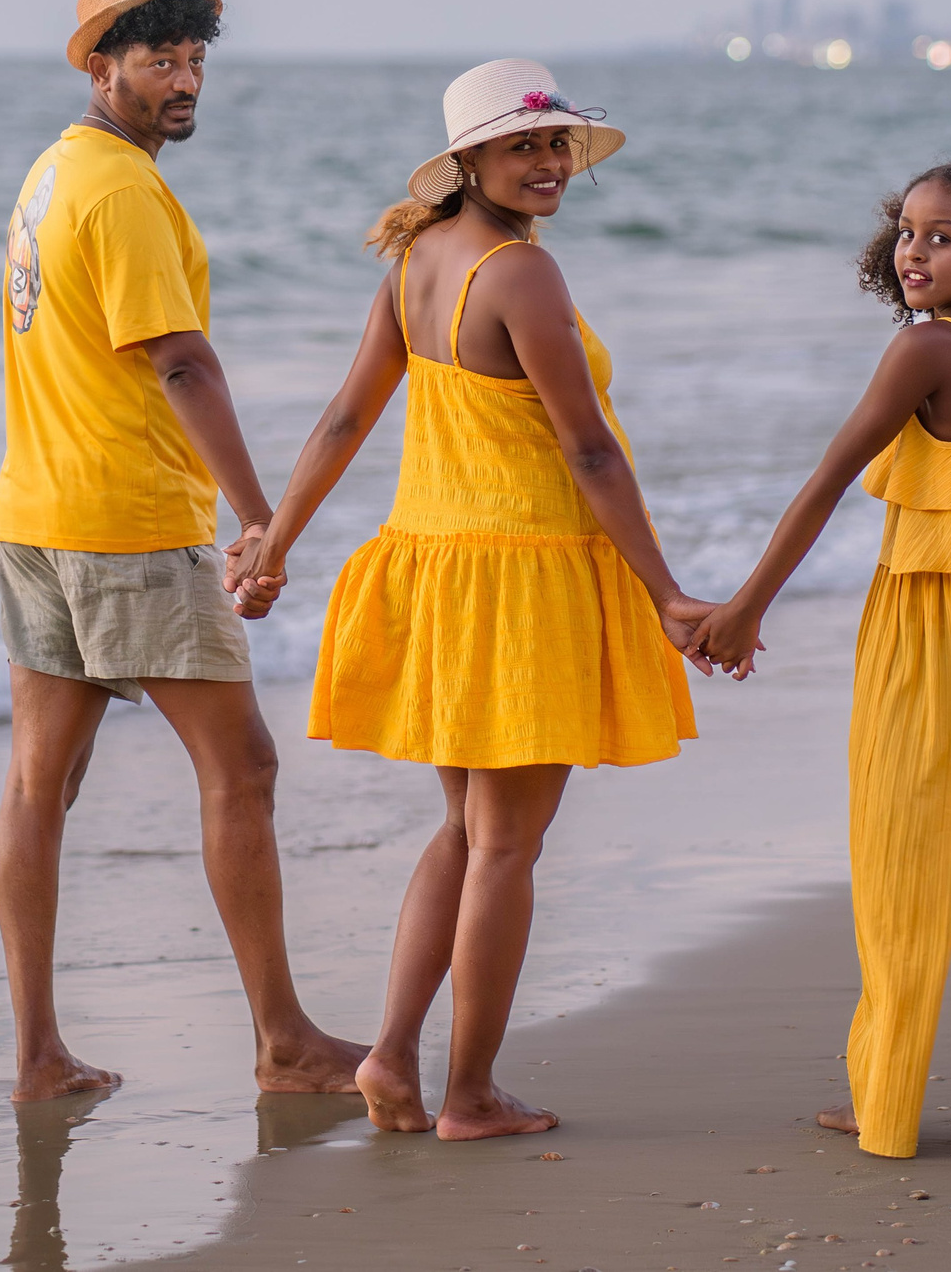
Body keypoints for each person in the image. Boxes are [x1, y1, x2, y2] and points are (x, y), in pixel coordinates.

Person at [230, 59, 715, 1140]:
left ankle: (394, 1063)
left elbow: (345, 419)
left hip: (441, 571)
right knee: (503, 845)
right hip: (523, 577)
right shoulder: (521, 276)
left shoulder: (415, 258)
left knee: (464, 828)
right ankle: (470, 1093)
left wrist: (273, 542)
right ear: (469, 163)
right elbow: (587, 452)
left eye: (555, 146)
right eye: (523, 147)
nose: (546, 163)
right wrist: (666, 591)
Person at [0, 0, 364, 1102]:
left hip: (34, 515)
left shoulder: (53, 174)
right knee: (240, 766)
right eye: (159, 60)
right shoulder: (124, 192)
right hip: (126, 525)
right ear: (102, 65)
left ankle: (38, 1057)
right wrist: (262, 517)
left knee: (36, 789)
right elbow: (181, 360)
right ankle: (285, 1042)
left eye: (195, 59)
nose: (184, 80)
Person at [691, 162, 951, 1160]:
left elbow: (828, 481)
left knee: (904, 858)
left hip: (939, 609)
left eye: (943, 237)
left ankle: (884, 1103)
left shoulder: (925, 351)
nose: (914, 254)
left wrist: (745, 606)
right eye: (907, 233)